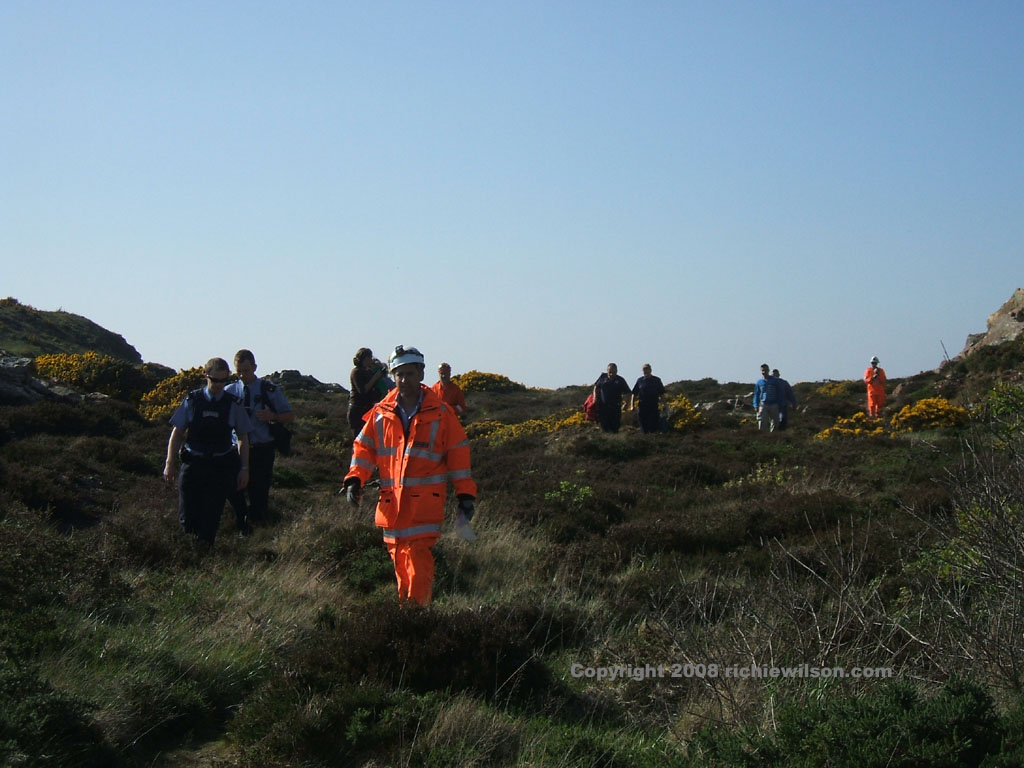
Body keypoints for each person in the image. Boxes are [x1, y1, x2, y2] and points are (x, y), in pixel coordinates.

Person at [343, 345, 477, 605]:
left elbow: (459, 456)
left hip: (424, 509)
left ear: (421, 374)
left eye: (410, 374)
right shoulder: (381, 413)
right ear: (393, 376)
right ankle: (407, 618)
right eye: (399, 374)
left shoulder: (441, 413)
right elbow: (364, 448)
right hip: (392, 508)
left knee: (417, 562)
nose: (404, 380)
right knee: (400, 566)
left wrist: (466, 495)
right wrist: (354, 478)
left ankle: (417, 618)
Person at [163, 358, 252, 547]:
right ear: (206, 377)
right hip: (193, 464)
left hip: (220, 467)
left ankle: (205, 556)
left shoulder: (234, 403)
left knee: (211, 520)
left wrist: (244, 468)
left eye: (223, 380)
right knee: (187, 518)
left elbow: (243, 437)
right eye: (215, 380)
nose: (220, 385)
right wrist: (170, 463)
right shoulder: (193, 400)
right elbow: (177, 432)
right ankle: (188, 557)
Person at [226, 349, 295, 535]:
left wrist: (273, 416)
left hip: (262, 450)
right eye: (238, 371)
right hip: (237, 450)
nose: (242, 375)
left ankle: (260, 531)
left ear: (254, 367)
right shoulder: (230, 391)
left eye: (246, 370)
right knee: (236, 491)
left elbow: (289, 415)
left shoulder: (269, 389)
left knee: (259, 493)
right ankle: (240, 527)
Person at [348, 348, 388, 440]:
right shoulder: (356, 372)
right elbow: (362, 390)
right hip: (357, 410)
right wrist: (375, 377)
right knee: (359, 438)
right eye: (370, 357)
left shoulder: (368, 371)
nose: (372, 359)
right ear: (365, 359)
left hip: (368, 408)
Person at [593, 363, 632, 433]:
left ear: (617, 371)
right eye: (610, 372)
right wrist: (595, 398)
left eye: (613, 372)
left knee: (614, 427)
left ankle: (614, 440)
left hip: (615, 408)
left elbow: (628, 393)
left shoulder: (620, 380)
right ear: (607, 370)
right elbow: (596, 387)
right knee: (604, 427)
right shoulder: (602, 377)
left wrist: (626, 403)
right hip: (603, 408)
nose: (611, 374)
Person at [630, 363, 665, 434]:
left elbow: (662, 394)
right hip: (642, 406)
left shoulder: (657, 380)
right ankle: (644, 440)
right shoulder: (640, 381)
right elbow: (634, 394)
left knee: (653, 427)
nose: (645, 371)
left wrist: (665, 405)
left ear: (650, 370)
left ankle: (653, 440)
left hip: (653, 406)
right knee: (643, 427)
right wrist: (632, 406)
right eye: (644, 370)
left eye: (647, 369)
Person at [752, 363, 781, 432]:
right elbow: (756, 394)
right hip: (763, 404)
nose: (764, 372)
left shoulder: (775, 381)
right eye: (762, 370)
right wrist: (756, 405)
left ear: (768, 370)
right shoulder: (759, 382)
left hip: (774, 404)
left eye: (765, 370)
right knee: (762, 421)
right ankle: (762, 436)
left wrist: (780, 403)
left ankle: (773, 436)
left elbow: (780, 392)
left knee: (775, 422)